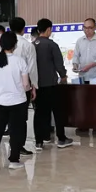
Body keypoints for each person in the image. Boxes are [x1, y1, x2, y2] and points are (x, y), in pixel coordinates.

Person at [0, 32, 29, 170]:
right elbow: (26, 84)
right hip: (17, 101)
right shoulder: (20, 61)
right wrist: (25, 89)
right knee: (16, 131)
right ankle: (14, 160)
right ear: (15, 45)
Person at [33, 19, 74, 150]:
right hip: (51, 84)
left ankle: (39, 141)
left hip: (37, 85)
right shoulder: (51, 45)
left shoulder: (32, 45)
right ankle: (61, 138)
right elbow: (59, 64)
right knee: (57, 111)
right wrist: (63, 76)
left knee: (39, 112)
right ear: (49, 29)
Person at [3, 17, 37, 155]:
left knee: (10, 117)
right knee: (21, 118)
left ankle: (13, 144)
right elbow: (32, 68)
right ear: (23, 29)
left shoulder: (3, 44)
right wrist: (34, 86)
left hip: (6, 85)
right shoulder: (28, 45)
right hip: (23, 86)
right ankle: (19, 146)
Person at [72, 18, 96, 136]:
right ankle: (84, 125)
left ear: (95, 28)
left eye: (90, 28)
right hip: (82, 76)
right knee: (83, 102)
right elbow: (76, 56)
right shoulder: (79, 41)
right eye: (85, 28)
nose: (87, 30)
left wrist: (89, 66)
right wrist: (75, 65)